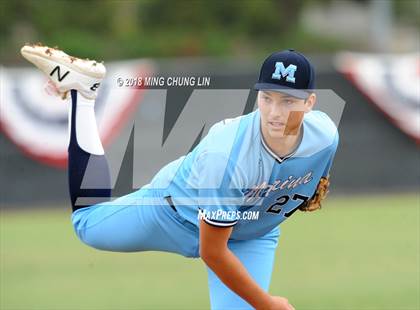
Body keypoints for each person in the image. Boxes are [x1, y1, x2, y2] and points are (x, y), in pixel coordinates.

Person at [21, 44, 338, 310]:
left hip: (252, 234)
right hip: (170, 212)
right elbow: (212, 251)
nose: (274, 112)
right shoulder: (227, 155)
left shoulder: (324, 136)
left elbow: (312, 181)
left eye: (288, 101)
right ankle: (83, 93)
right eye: (267, 97)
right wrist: (267, 304)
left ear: (310, 103)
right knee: (86, 227)